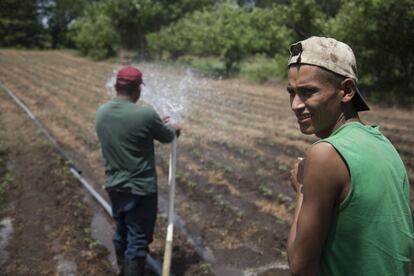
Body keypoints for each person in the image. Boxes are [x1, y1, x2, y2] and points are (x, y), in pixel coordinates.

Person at [285, 36, 413, 276]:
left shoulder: (325, 154)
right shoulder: (382, 143)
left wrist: (302, 187)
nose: (295, 104)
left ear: (346, 90)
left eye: (308, 92)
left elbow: (300, 267)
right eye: (291, 92)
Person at [96, 66, 180, 276]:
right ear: (137, 90)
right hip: (140, 189)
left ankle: (123, 270)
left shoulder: (102, 112)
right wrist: (175, 128)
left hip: (115, 186)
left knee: (121, 231)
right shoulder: (145, 114)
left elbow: (132, 130)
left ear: (117, 87)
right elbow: (168, 136)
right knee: (138, 239)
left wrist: (155, 125)